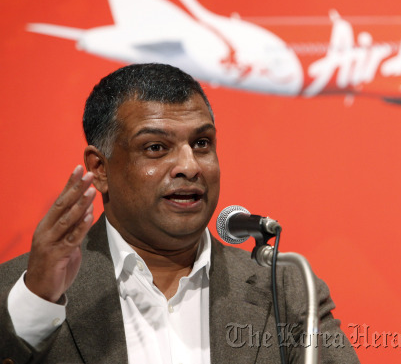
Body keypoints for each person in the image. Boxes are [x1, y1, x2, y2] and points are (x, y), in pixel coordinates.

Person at [0, 63, 359, 363]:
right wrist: (37, 304)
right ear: (100, 169)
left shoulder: (286, 290)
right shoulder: (23, 290)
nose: (189, 166)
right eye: (156, 147)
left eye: (201, 144)